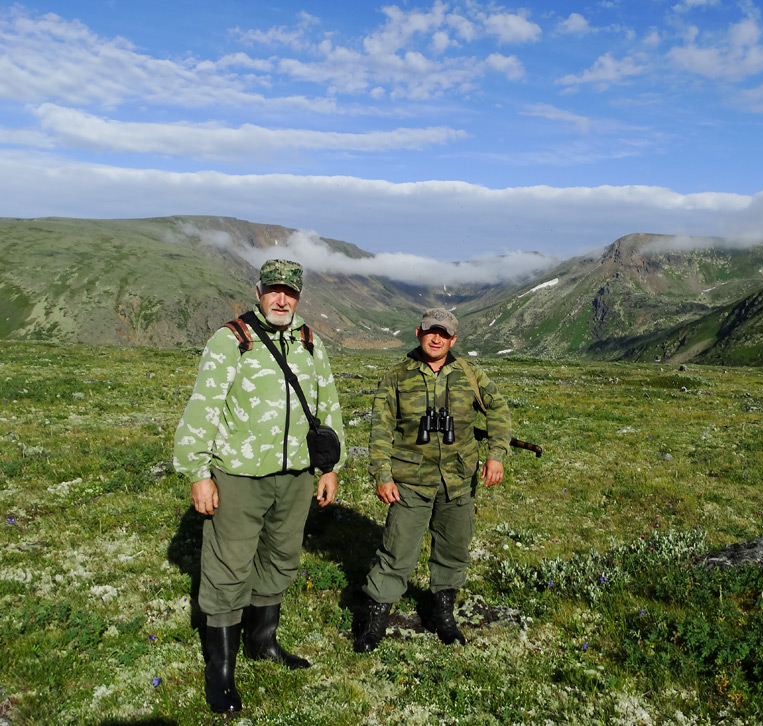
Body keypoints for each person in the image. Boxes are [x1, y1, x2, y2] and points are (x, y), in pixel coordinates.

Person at [173, 259, 344, 714]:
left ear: (300, 295)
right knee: (228, 566)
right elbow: (203, 406)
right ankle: (220, 673)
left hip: (296, 476)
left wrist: (329, 467)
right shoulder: (233, 339)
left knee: (281, 557)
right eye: (274, 291)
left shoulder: (310, 342)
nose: (282, 299)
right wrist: (199, 473)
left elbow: (328, 406)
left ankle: (262, 642)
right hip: (240, 475)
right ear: (258, 291)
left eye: (289, 292)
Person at [355, 308, 512, 653]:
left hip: (459, 479)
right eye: (430, 331)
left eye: (444, 333)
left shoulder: (470, 374)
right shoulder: (397, 375)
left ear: (454, 339)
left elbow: (498, 409)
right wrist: (382, 475)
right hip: (410, 480)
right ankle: (376, 620)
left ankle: (443, 615)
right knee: (396, 552)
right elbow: (381, 428)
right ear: (418, 332)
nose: (436, 338)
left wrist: (497, 453)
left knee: (453, 551)